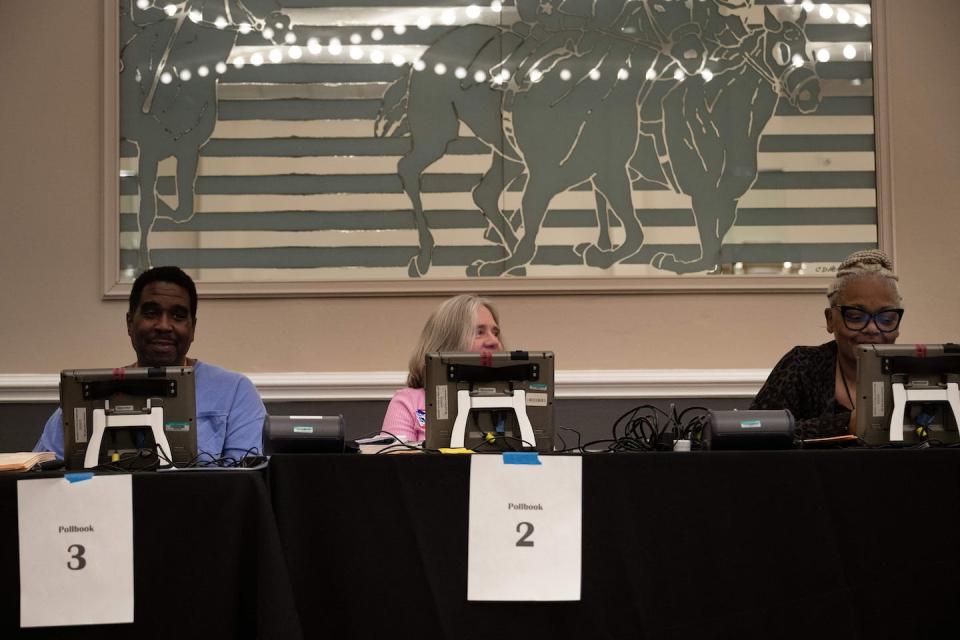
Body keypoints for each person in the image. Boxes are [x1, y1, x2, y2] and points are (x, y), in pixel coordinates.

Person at [34, 266, 266, 462]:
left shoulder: (234, 391)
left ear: (192, 328)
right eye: (151, 313)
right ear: (129, 323)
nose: (164, 326)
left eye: (178, 316)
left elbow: (243, 480)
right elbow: (39, 470)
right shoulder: (89, 391)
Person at [751, 250, 904, 440]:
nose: (872, 328)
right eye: (856, 317)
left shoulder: (914, 373)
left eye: (887, 319)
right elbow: (755, 432)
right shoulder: (801, 366)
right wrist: (844, 424)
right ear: (830, 319)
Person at [380, 294, 504, 443]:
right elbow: (394, 464)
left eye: (495, 333)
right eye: (479, 332)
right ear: (449, 342)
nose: (494, 342)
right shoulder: (409, 403)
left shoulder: (516, 397)